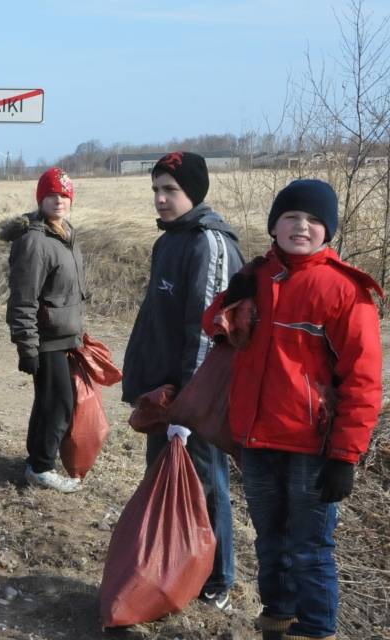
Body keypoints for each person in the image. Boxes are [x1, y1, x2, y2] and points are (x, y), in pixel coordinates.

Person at [205, 180, 382, 640]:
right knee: (271, 547)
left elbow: (364, 381)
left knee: (309, 551)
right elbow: (213, 328)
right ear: (274, 226)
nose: (300, 226)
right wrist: (232, 299)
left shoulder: (345, 290)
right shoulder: (256, 275)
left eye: (312, 219)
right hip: (258, 442)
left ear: (327, 229)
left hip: (312, 449)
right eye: (290, 217)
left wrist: (346, 456)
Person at [121, 151, 244, 611]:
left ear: (194, 191)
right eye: (155, 189)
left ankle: (218, 578)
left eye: (169, 189)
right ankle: (178, 568)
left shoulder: (207, 243)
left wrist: (190, 408)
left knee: (206, 484)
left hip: (197, 399)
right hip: (165, 394)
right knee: (166, 480)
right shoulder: (169, 241)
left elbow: (208, 332)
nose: (160, 198)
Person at [0, 167, 85, 493]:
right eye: (51, 195)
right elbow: (24, 298)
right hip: (45, 337)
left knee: (49, 400)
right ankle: (42, 467)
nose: (59, 201)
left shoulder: (65, 233)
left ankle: (35, 458)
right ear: (41, 198)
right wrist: (27, 346)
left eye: (64, 195)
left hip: (62, 334)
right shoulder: (35, 241)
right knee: (59, 402)